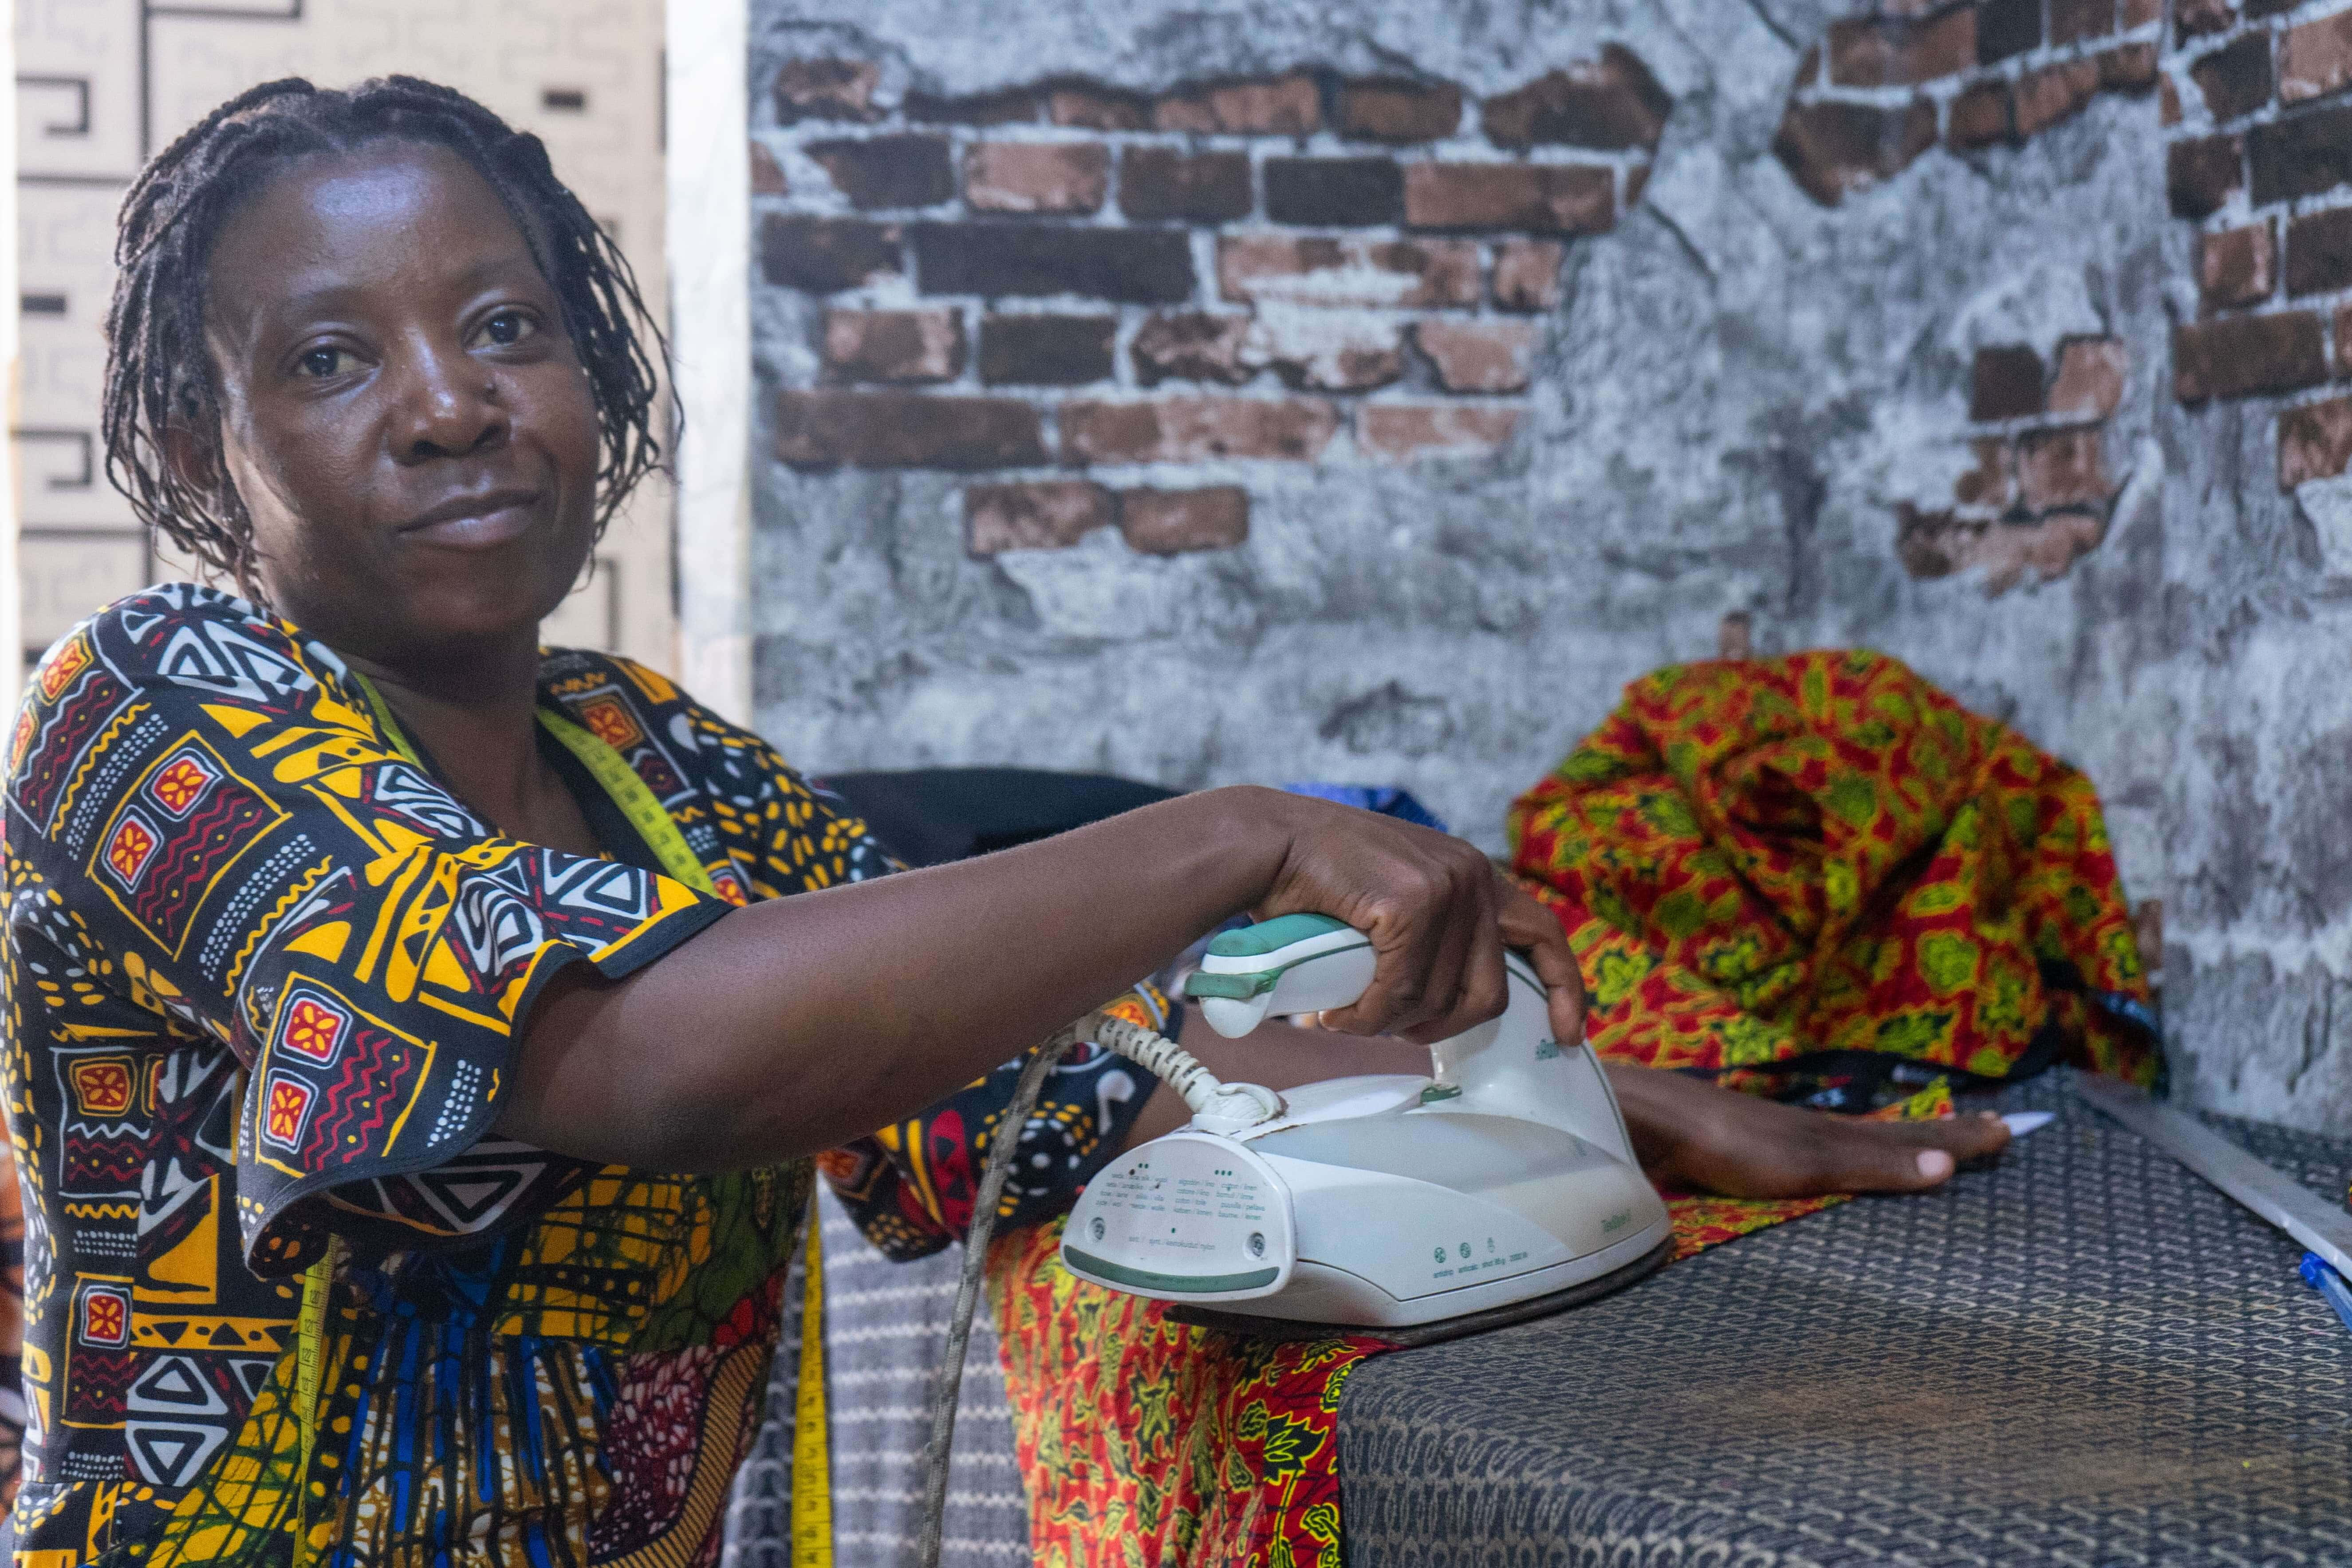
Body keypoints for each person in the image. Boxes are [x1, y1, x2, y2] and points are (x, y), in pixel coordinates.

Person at [0, 76, 2009, 1566]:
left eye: (507, 325)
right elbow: (647, 1052)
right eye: (335, 358)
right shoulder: (152, 712)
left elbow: (1045, 1084)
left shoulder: (658, 763)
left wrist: (1586, 1097)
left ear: (591, 375)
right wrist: (1234, 837)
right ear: (202, 442)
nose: (451, 402)